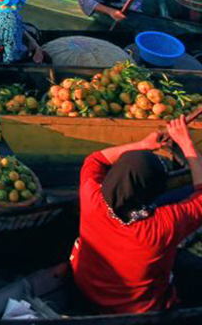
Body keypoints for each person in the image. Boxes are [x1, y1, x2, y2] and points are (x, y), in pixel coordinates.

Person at [70, 116, 202, 314]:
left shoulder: (92, 196)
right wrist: (186, 143)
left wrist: (143, 144)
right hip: (138, 309)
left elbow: (96, 159)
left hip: (87, 289)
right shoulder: (160, 226)